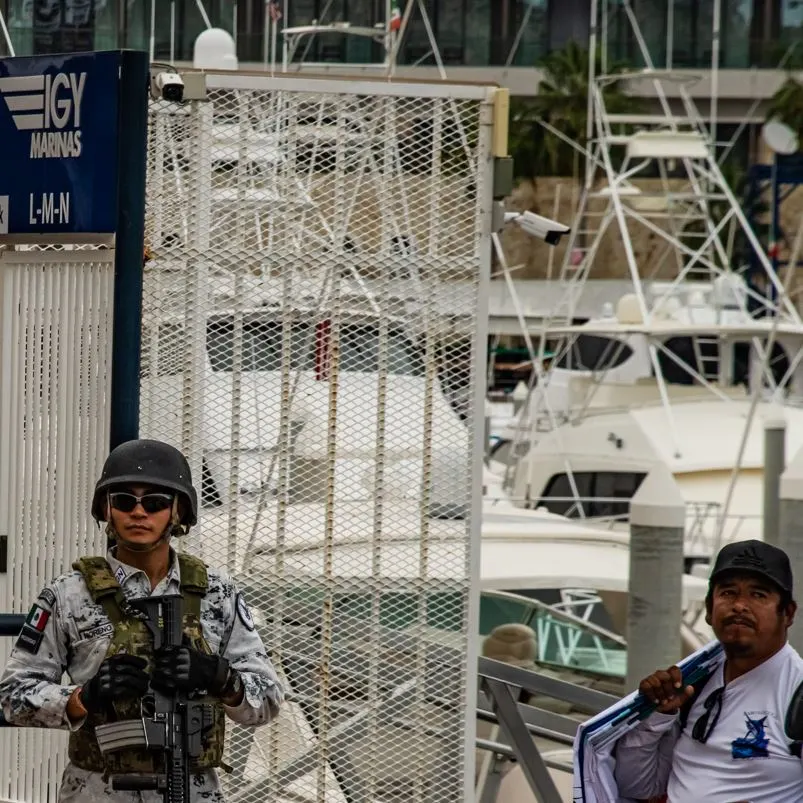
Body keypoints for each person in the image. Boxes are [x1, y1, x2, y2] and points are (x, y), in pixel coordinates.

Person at [0, 438, 284, 802]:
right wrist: (81, 698)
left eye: (154, 502)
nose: (139, 513)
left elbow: (270, 698)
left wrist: (220, 677)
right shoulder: (68, 595)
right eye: (124, 501)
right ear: (107, 509)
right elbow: (13, 695)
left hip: (193, 790)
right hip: (98, 791)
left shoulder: (218, 594)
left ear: (177, 511)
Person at [613, 539, 803, 803]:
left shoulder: (797, 692)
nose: (739, 605)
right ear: (709, 610)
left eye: (758, 594)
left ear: (788, 613)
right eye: (727, 593)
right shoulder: (694, 684)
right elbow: (638, 788)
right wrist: (657, 715)